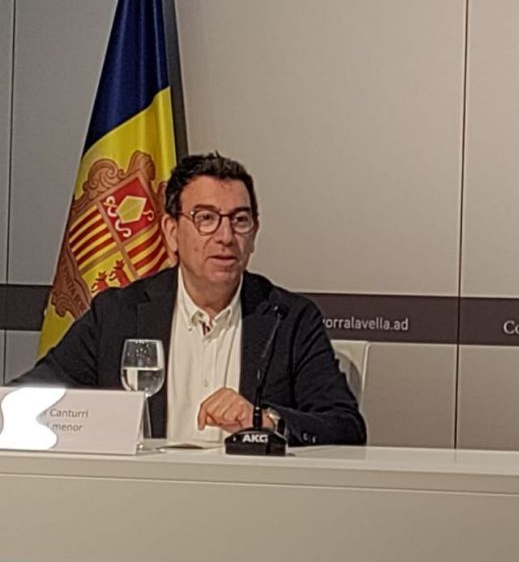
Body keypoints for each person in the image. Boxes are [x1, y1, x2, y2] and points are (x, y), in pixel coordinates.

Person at [17, 152, 365, 447]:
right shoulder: (118, 314)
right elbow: (27, 399)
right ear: (172, 232)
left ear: (254, 234)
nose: (226, 236)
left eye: (240, 220)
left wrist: (263, 420)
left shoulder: (289, 319)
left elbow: (346, 426)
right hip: (141, 496)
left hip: (252, 499)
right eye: (206, 219)